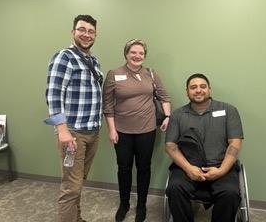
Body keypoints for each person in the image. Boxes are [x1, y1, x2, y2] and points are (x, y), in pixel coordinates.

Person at [102, 39, 171, 222]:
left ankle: (141, 204)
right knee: (123, 168)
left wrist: (167, 117)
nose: (137, 56)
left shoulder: (151, 74)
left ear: (144, 56)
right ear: (126, 53)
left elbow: (164, 96)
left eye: (141, 53)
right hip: (122, 131)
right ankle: (124, 204)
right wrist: (111, 129)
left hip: (147, 130)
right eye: (133, 52)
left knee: (144, 168)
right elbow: (107, 105)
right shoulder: (114, 74)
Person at [44, 14, 103, 222]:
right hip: (73, 134)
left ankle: (76, 219)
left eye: (90, 31)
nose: (86, 35)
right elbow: (53, 94)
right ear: (73, 32)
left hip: (92, 131)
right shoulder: (64, 57)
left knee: (78, 182)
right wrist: (62, 130)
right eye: (82, 30)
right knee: (71, 186)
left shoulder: (92, 60)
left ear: (95, 35)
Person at [165, 73, 244, 222]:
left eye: (203, 86)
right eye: (193, 87)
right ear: (187, 91)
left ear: (209, 89)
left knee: (231, 192)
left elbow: (235, 143)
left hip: (221, 166)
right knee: (174, 188)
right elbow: (170, 145)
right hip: (187, 167)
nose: (198, 90)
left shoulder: (228, 111)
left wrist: (221, 171)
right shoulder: (178, 115)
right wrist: (189, 168)